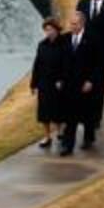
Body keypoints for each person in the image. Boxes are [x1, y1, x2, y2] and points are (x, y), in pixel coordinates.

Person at [59, 11, 104, 155]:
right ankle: (68, 145)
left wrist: (91, 81)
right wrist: (59, 79)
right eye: (71, 24)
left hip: (86, 83)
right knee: (69, 115)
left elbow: (99, 64)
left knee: (87, 114)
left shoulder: (93, 39)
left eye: (75, 24)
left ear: (82, 24)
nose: (72, 26)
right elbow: (60, 62)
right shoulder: (65, 39)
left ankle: (88, 137)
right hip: (69, 84)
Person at [30, 17, 66, 149]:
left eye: (50, 29)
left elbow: (66, 64)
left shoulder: (64, 43)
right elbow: (37, 64)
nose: (48, 32)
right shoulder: (42, 45)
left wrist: (62, 79)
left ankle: (60, 132)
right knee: (44, 111)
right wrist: (33, 84)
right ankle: (47, 136)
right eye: (46, 30)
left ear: (56, 30)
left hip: (58, 82)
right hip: (44, 82)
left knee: (58, 109)